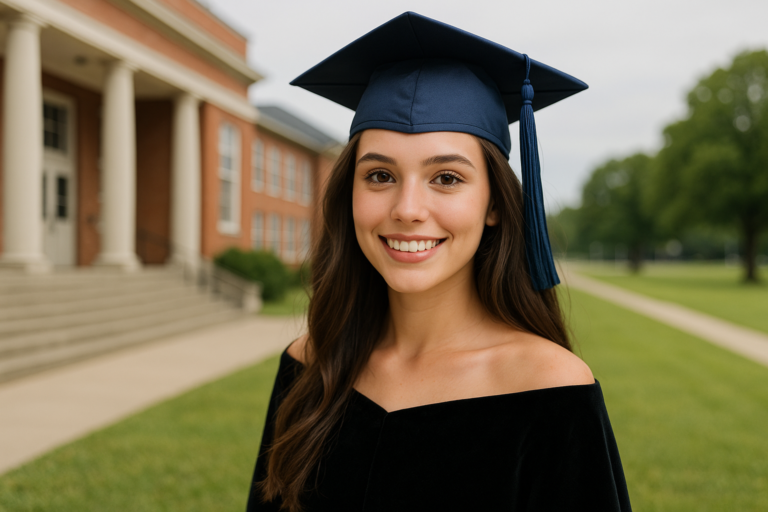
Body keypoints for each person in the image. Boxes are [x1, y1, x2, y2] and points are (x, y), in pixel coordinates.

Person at [247, 11, 631, 512]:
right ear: (350, 194)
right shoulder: (313, 362)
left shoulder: (548, 390)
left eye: (446, 178)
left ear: (494, 204)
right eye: (380, 176)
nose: (407, 209)